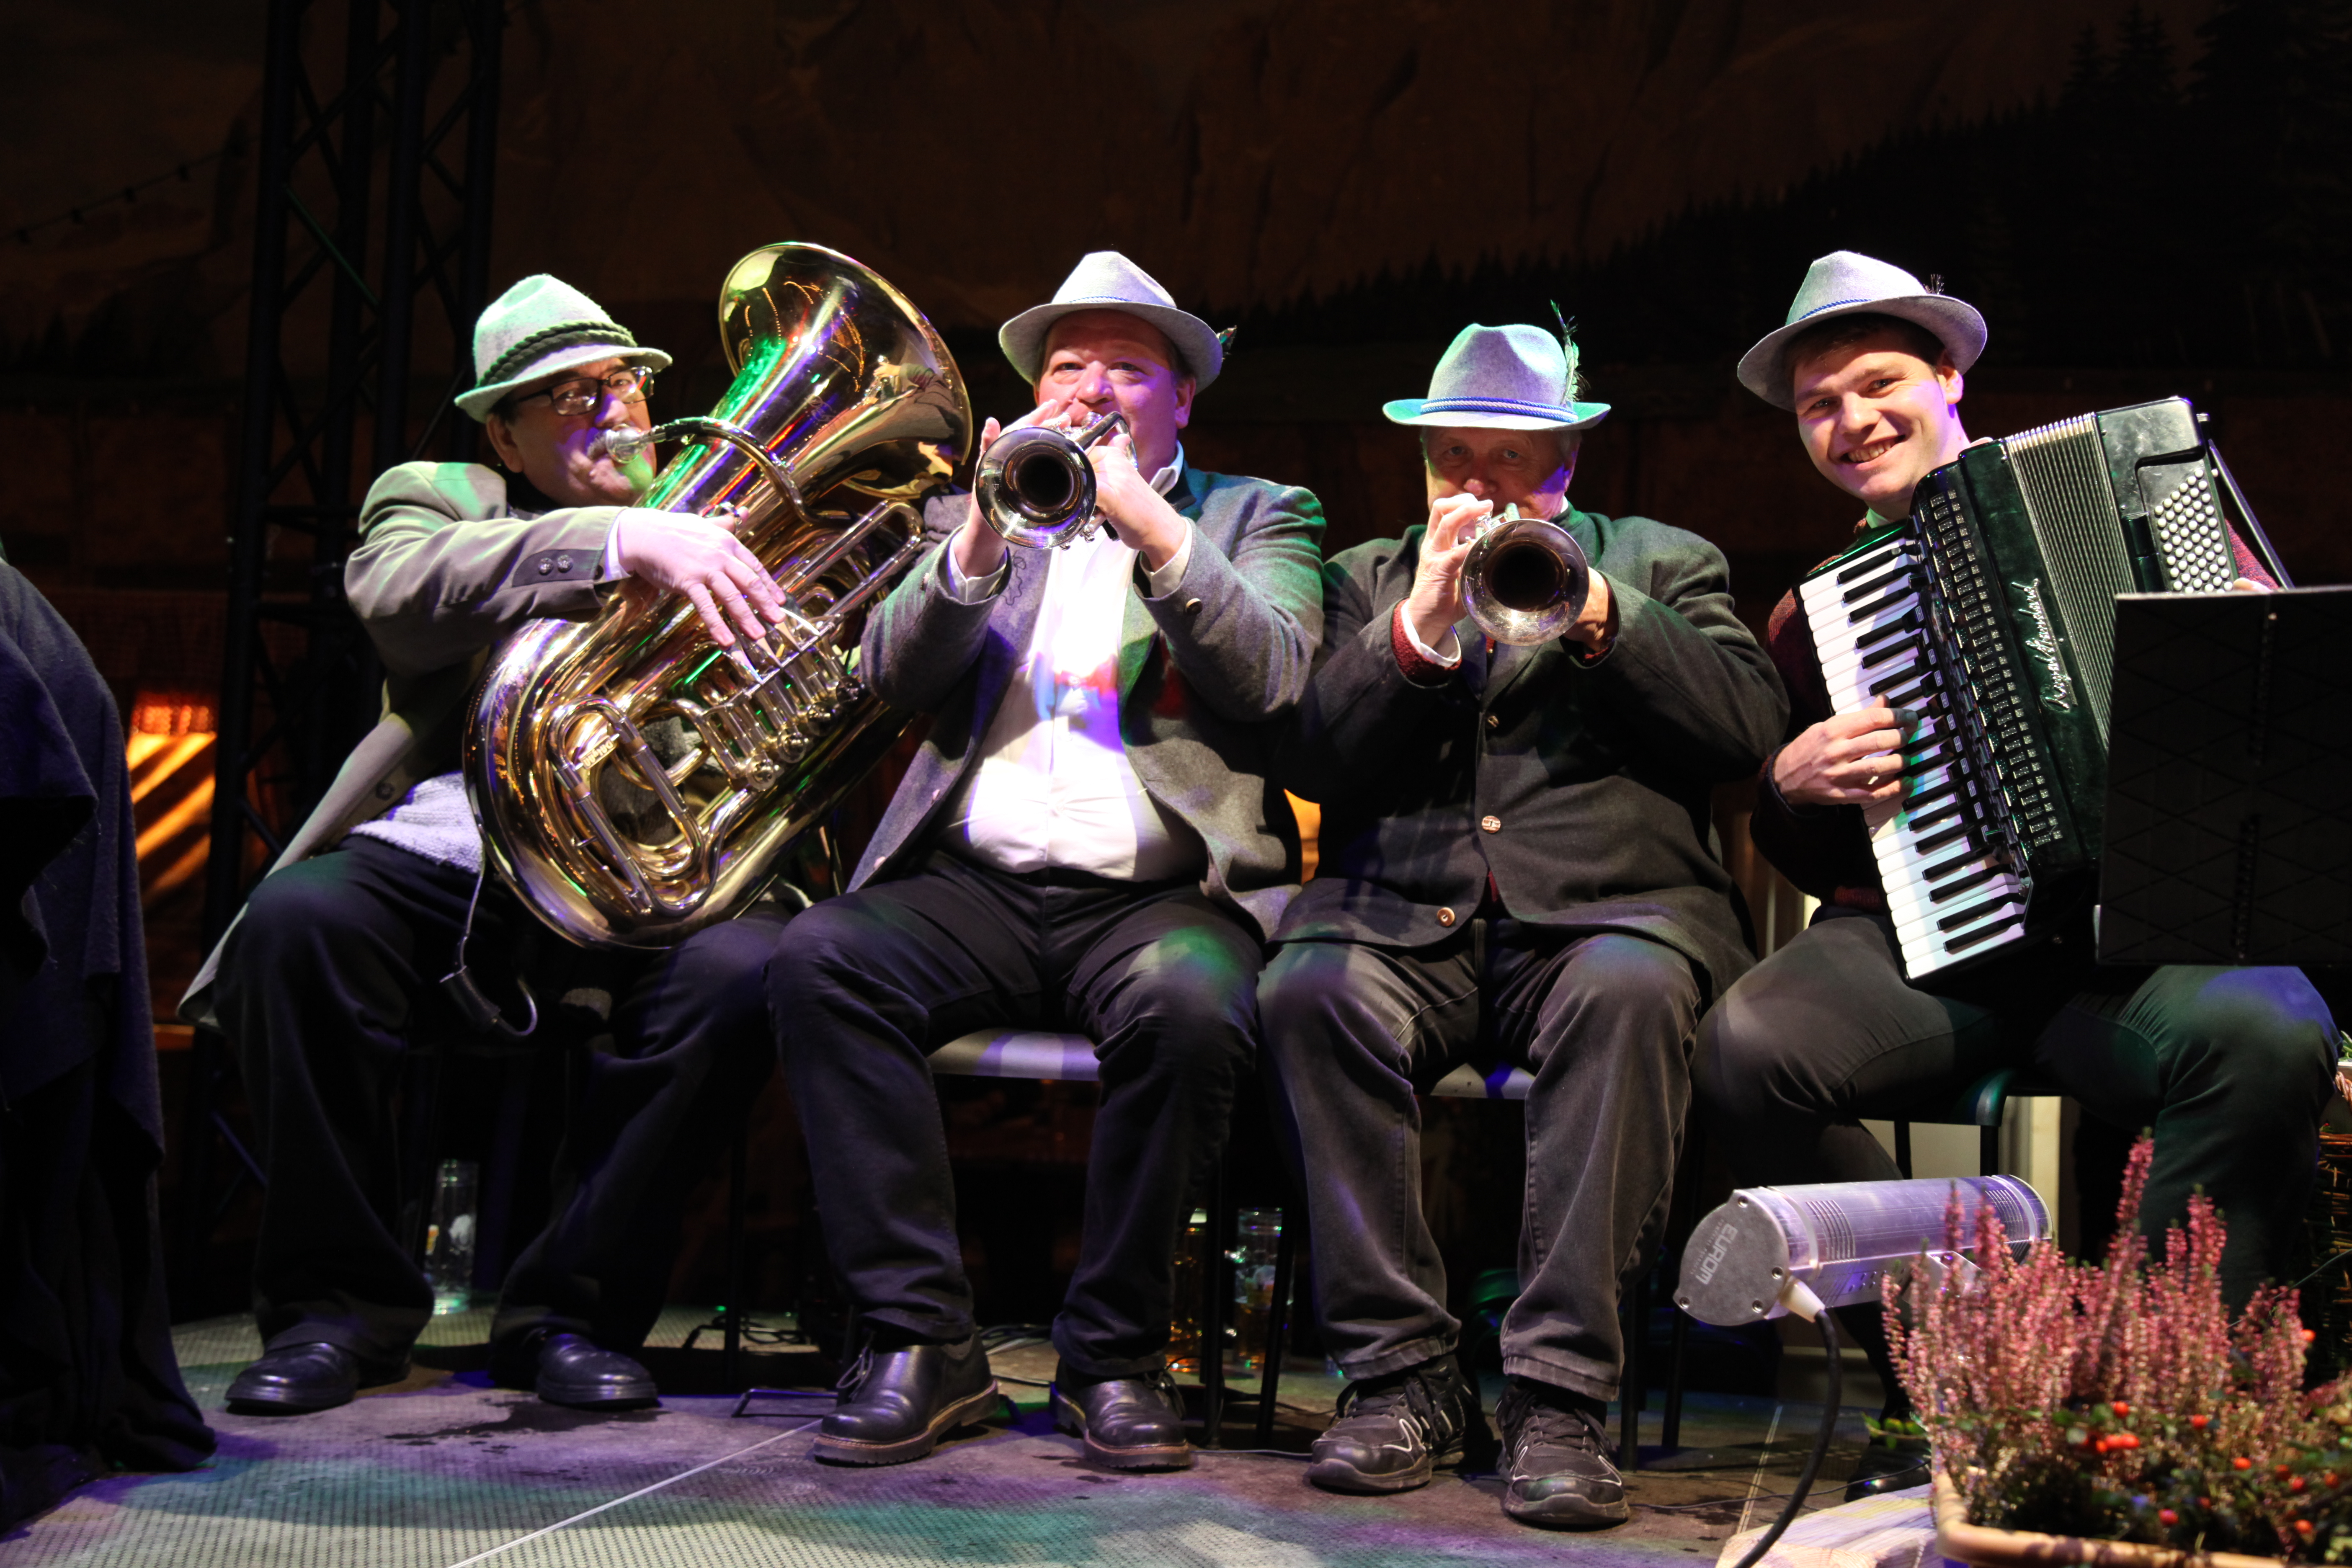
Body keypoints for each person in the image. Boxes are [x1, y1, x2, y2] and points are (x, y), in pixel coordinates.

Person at [1694, 250, 2339, 1491]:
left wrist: (2248, 645)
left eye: (1876, 383)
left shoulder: (2138, 503)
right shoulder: (1814, 613)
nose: (1849, 422)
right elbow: (1816, 848)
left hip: (2131, 944)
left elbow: (2269, 756)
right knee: (1746, 1051)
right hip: (1935, 938)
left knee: (2266, 1027)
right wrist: (1793, 786)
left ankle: (2151, 1423)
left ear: (1948, 379)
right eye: (1818, 406)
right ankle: (1954, 1380)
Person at [184, 275, 786, 1415]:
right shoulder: (443, 497)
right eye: (564, 397)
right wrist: (620, 540)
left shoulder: (732, 524)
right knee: (296, 929)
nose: (613, 410)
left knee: (748, 972)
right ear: (503, 437)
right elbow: (399, 591)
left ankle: (571, 1315)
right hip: (448, 859)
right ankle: (335, 1315)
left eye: (623, 383)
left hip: (653, 871)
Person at [765, 251, 1324, 1472]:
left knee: (1191, 1006)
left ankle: (1112, 1357)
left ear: (1184, 400)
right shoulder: (980, 508)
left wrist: (1147, 523)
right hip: (975, 886)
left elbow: (1276, 677)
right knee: (821, 961)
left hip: (1160, 894)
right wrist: (978, 529)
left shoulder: (1258, 512)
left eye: (1130, 366)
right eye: (1071, 364)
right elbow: (886, 678)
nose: (1095, 386)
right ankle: (924, 1343)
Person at [1257, 322, 1787, 1528]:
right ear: (1428, 465)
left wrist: (1601, 612)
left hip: (1609, 918)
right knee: (1308, 990)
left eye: (1521, 466)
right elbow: (1317, 757)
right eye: (1462, 465)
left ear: (1570, 467)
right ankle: (1401, 1382)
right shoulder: (1364, 579)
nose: (1490, 493)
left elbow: (1742, 734)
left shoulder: (1665, 561)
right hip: (1403, 923)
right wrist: (1423, 630)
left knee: (1632, 993)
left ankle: (1560, 1398)